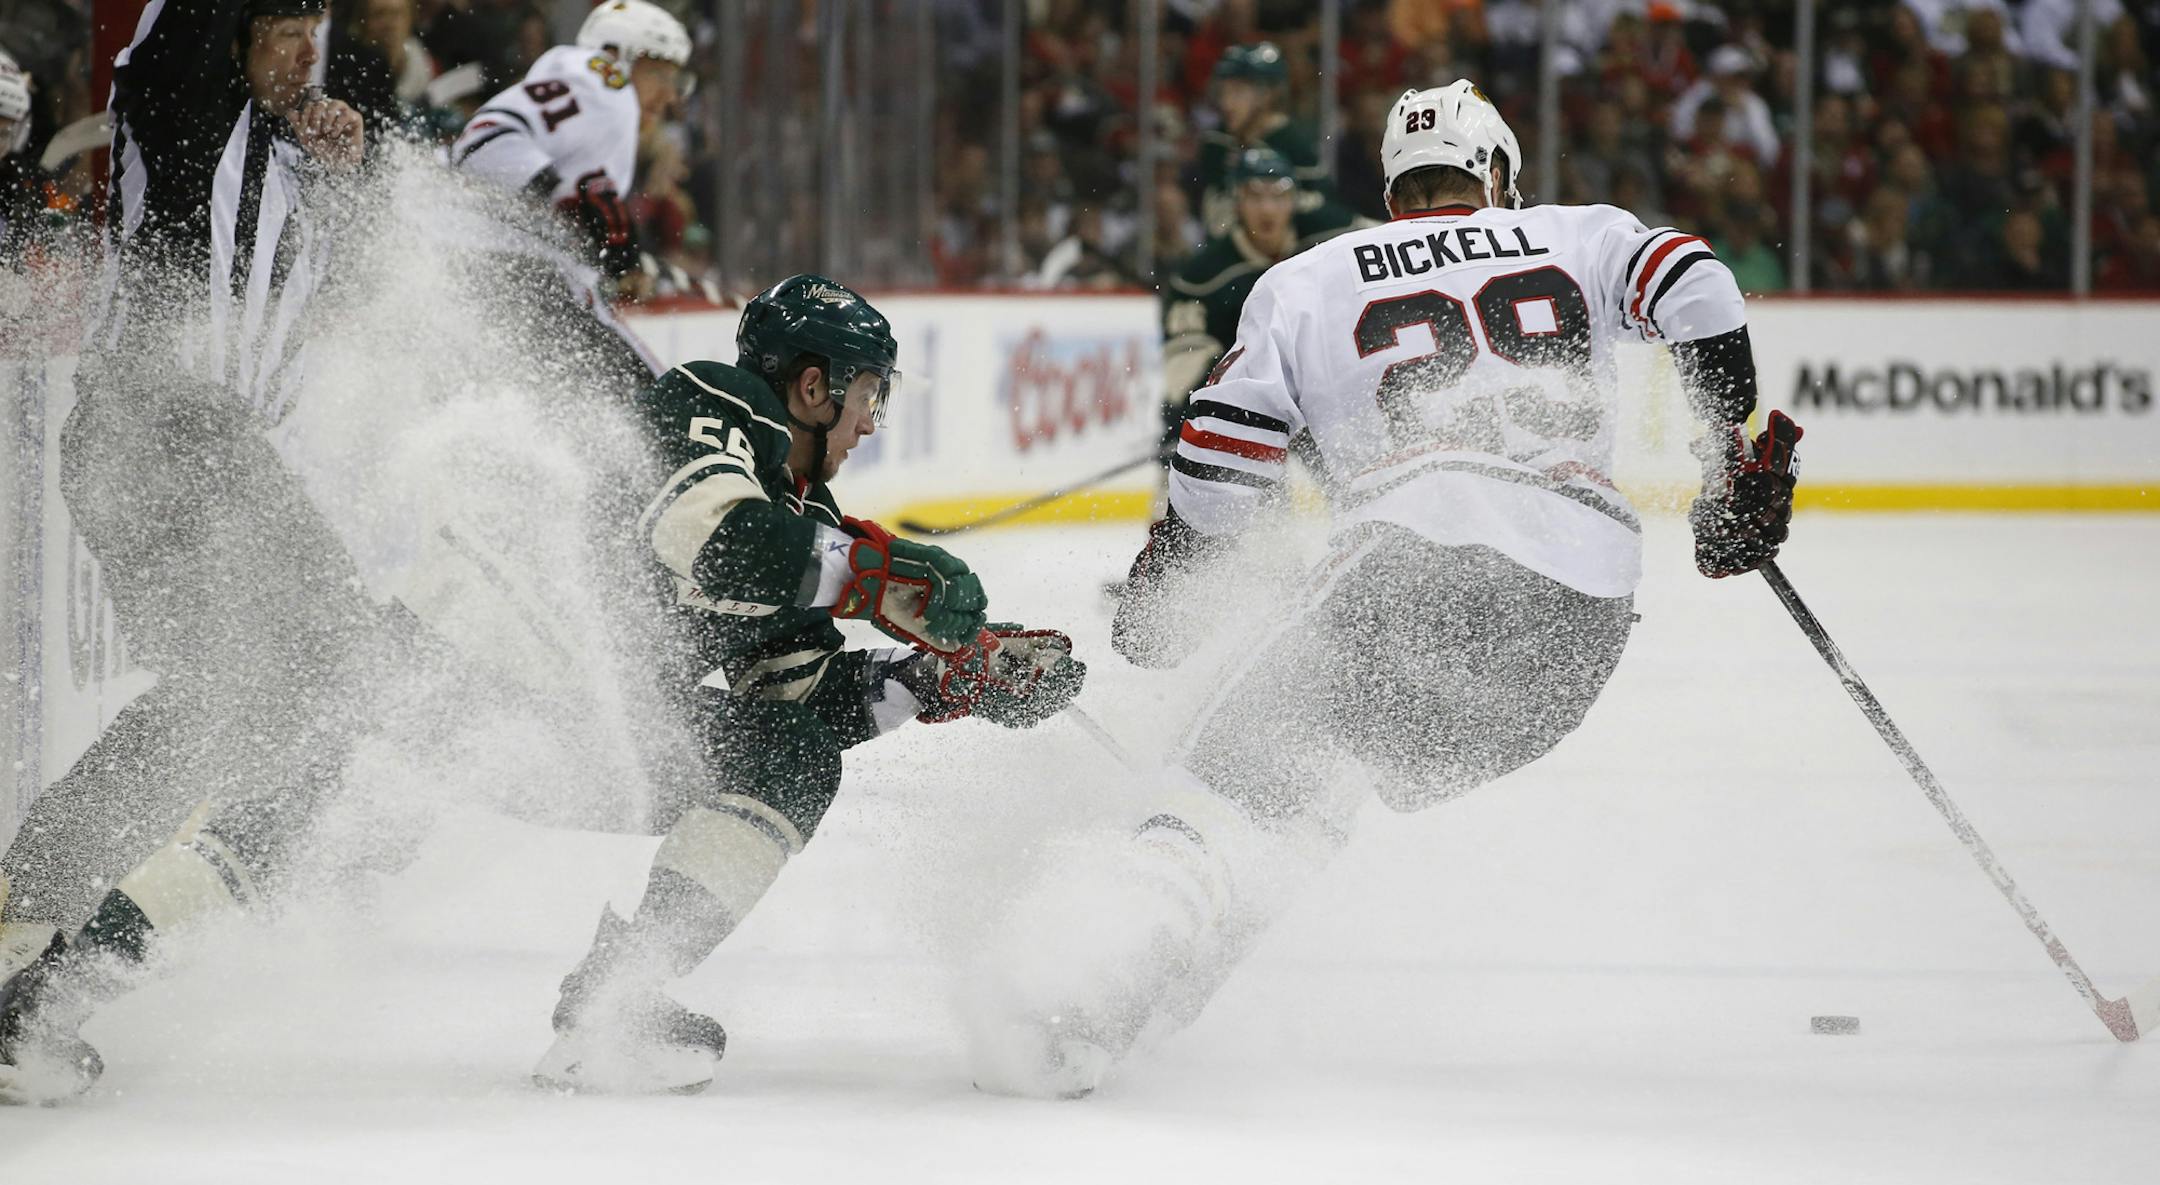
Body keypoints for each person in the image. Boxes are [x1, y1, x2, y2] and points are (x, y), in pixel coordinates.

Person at [974, 81, 1802, 1098]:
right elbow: (1694, 276)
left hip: (1418, 562)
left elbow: (1223, 453)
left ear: (1395, 189)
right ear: (1497, 173)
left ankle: (1101, 983)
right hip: (1577, 630)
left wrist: (1172, 577)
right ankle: (1161, 976)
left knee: (1223, 777)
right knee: (1325, 778)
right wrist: (1732, 458)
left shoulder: (1311, 278)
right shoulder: (1574, 234)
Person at [0, 0, 425, 1107]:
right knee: (333, 666)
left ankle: (34, 927)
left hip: (193, 446)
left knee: (232, 701)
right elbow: (188, 39)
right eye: (279, 30)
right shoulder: (188, 111)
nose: (300, 55)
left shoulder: (293, 147)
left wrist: (355, 149)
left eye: (312, 33)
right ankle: (74, 950)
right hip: (164, 427)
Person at [529, 275, 1088, 1094]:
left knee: (789, 755)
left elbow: (797, 689)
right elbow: (718, 538)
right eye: (867, 392)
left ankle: (614, 1001)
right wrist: (883, 573)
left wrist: (940, 678)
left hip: (586, 724)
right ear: (812, 384)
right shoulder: (713, 399)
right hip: (493, 683)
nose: (870, 420)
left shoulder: (797, 504)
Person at [445, 0, 689, 392]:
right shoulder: (604, 83)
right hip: (507, 268)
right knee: (657, 407)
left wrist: (615, 259)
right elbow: (483, 143)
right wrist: (567, 198)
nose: (669, 95)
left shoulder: (590, 94)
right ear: (614, 56)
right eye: (659, 72)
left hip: (491, 269)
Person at [1161, 146, 1369, 458]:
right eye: (1254, 195)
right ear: (1236, 201)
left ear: (1295, 199)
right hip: (1230, 414)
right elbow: (1181, 365)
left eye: (1278, 195)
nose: (1267, 209)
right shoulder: (1202, 275)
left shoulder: (1329, 236)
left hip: (1313, 402)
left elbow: (1392, 239)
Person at [1194, 43, 1330, 234]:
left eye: (1237, 92)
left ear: (1266, 95)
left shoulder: (1294, 146)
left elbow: (1322, 213)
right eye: (1223, 92)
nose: (1225, 103)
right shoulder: (1217, 142)